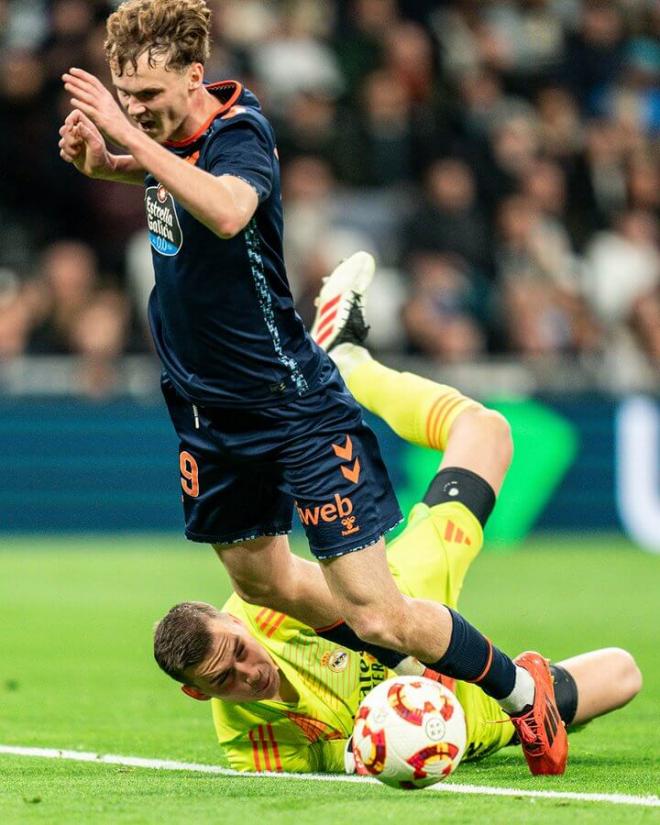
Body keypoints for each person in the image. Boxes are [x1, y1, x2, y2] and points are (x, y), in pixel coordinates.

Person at [58, 0, 567, 774]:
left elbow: (227, 210)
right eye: (126, 99)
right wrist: (112, 164)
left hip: (289, 406)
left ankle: (519, 690)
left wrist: (127, 140)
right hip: (206, 414)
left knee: (378, 611)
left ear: (195, 77)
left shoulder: (240, 133)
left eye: (151, 99)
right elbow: (175, 187)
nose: (137, 111)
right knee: (261, 577)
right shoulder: (165, 138)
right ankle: (400, 657)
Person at [152, 341, 642, 772]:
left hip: (411, 593)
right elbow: (325, 763)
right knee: (623, 675)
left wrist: (419, 671)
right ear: (198, 692)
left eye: (238, 651)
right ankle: (524, 697)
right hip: (469, 722)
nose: (249, 672)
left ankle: (351, 363)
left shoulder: (268, 607)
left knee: (487, 430)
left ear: (234, 625)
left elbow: (372, 615)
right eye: (223, 679)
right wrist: (380, 750)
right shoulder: (248, 741)